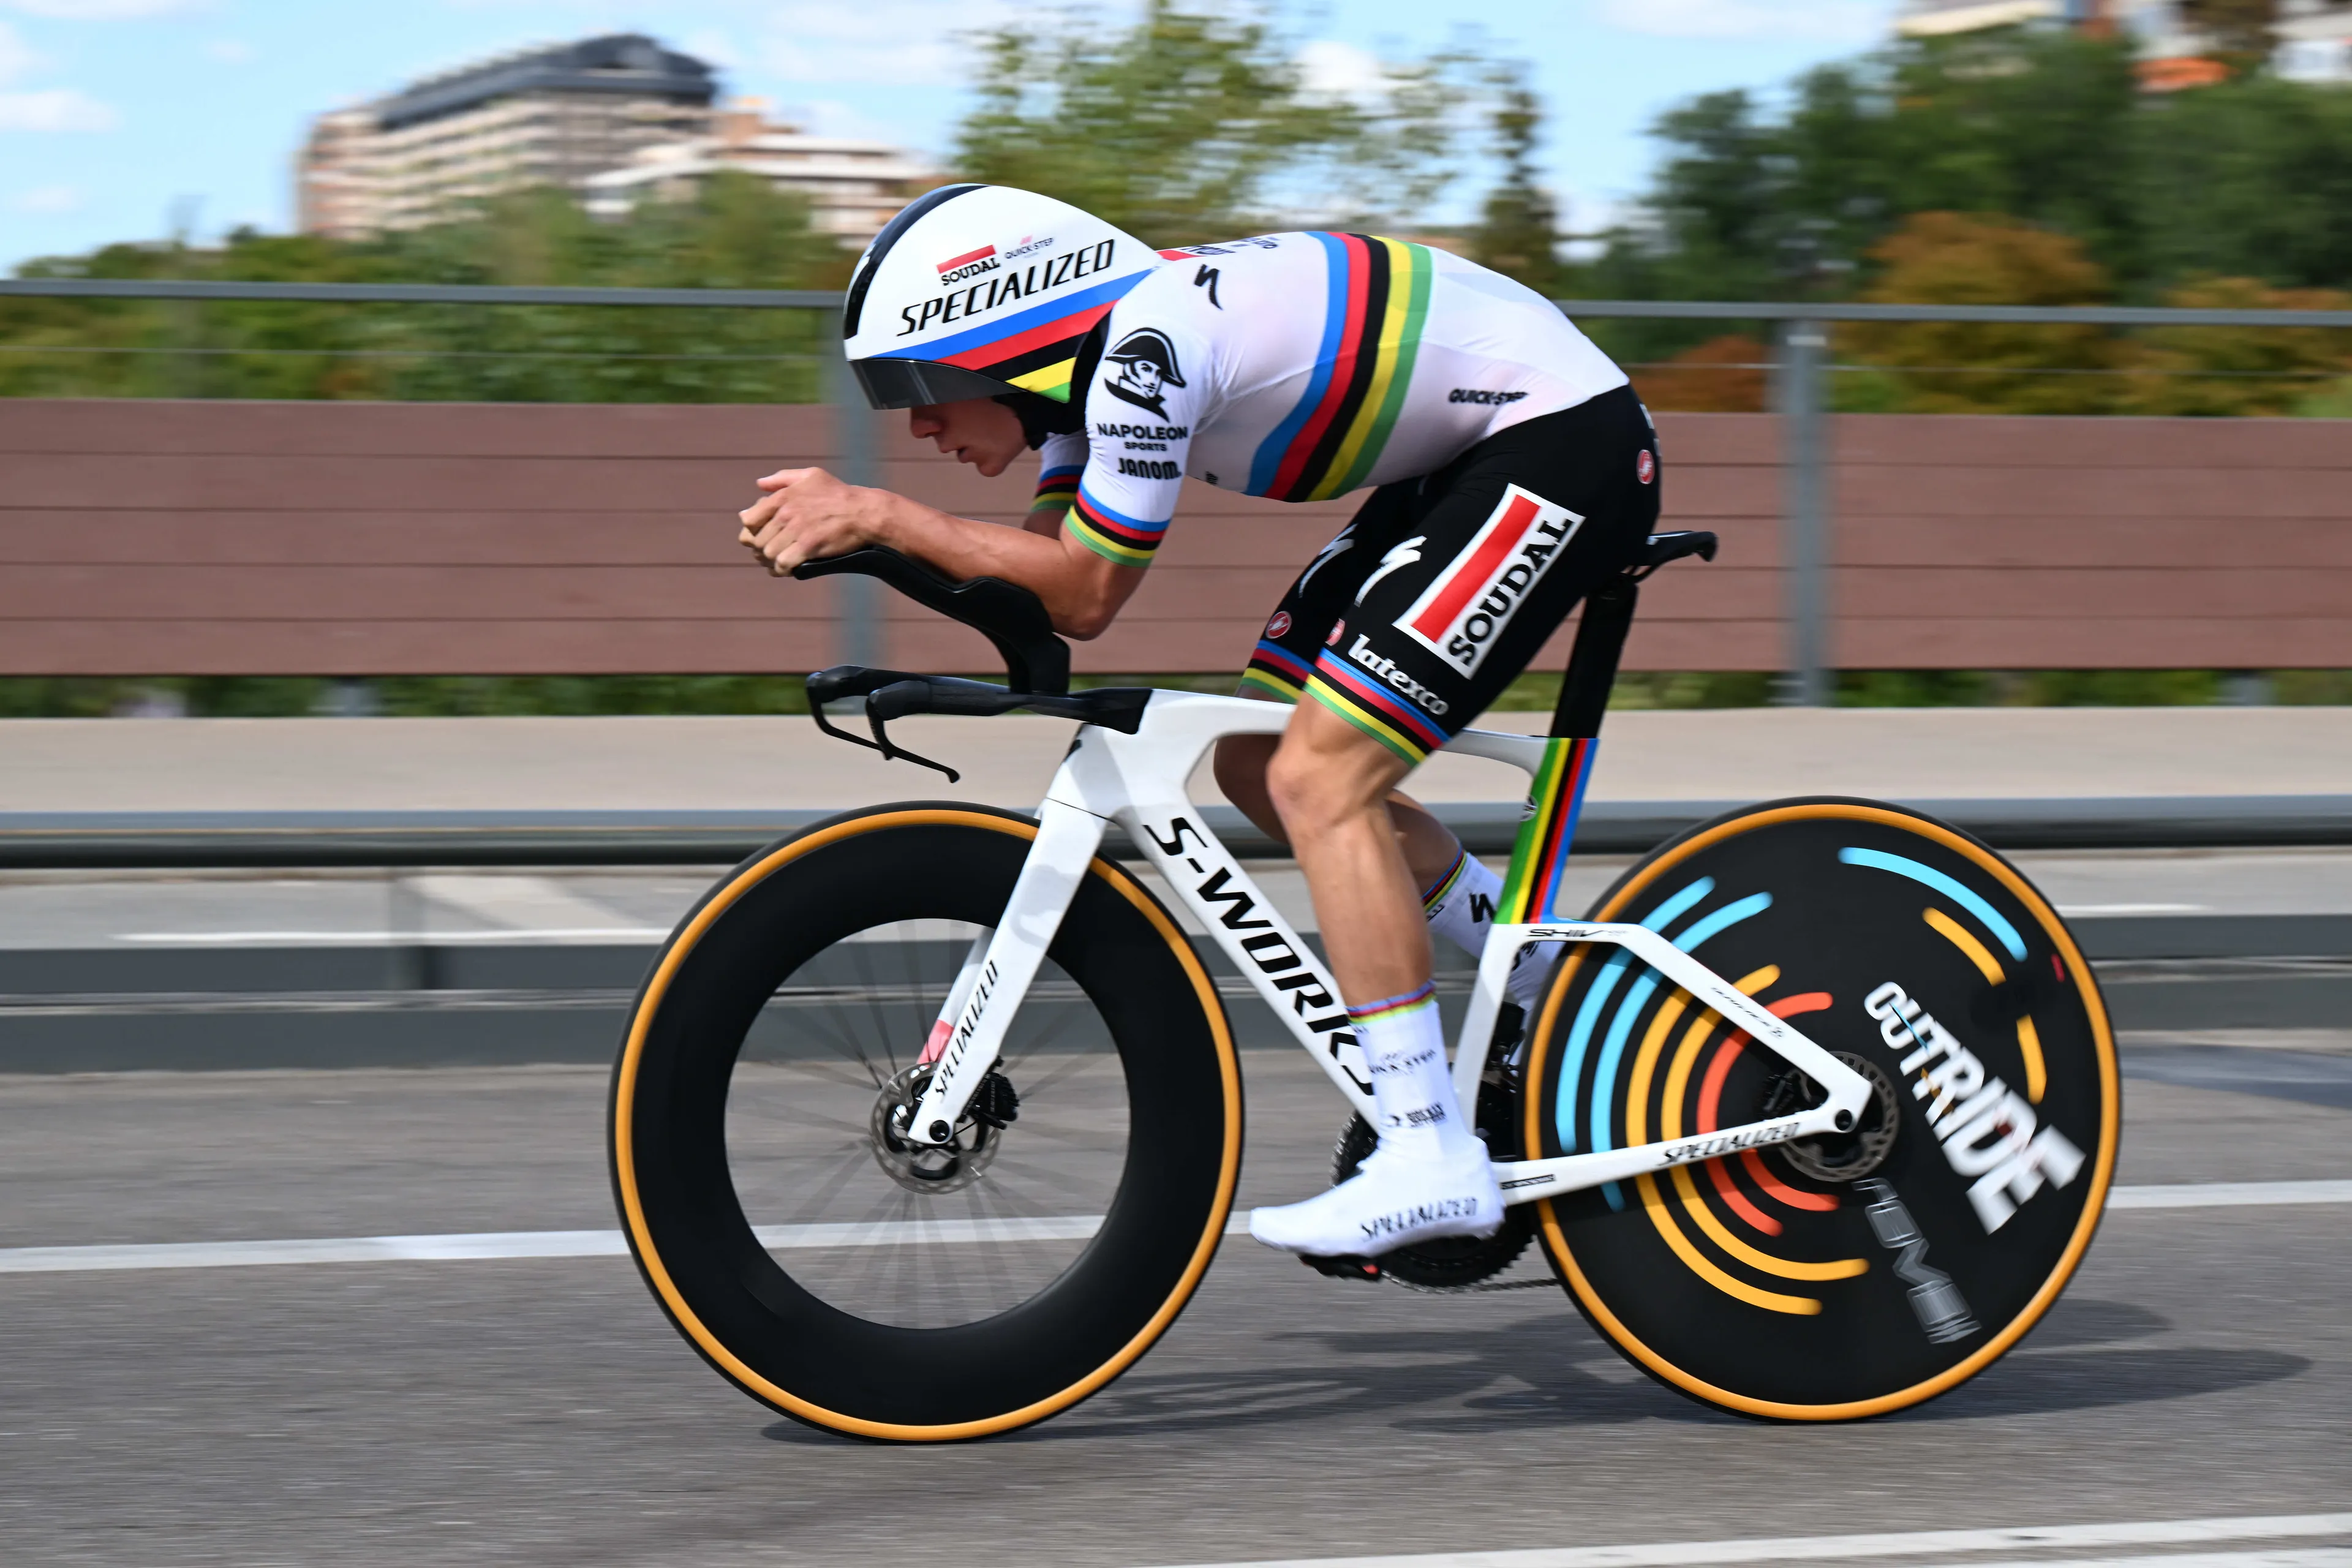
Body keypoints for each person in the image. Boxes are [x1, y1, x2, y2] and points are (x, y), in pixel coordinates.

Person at [737, 185, 1660, 1263]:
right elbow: (1039, 581)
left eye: (923, 386)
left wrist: (882, 515)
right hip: (1465, 461)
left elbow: (1084, 594)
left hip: (1559, 446)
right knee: (1260, 768)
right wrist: (881, 543)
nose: (921, 424)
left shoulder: (1146, 351)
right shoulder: (1089, 388)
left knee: (1323, 781)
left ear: (1010, 342)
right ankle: (1564, 988)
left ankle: (1430, 1153)